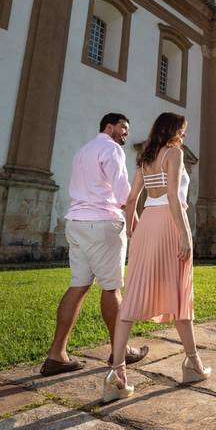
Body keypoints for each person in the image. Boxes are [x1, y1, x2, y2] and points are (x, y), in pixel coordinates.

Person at [103, 112, 211, 401]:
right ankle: (193, 364)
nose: (184, 135)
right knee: (179, 297)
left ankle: (116, 374)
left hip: (147, 223)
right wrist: (186, 233)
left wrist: (133, 227)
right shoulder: (173, 153)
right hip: (168, 224)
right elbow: (175, 197)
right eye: (182, 129)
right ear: (172, 129)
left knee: (131, 298)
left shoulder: (145, 158)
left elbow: (131, 200)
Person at [40, 113, 149, 376]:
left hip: (76, 223)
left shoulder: (83, 151)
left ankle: (57, 354)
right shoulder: (111, 150)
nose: (126, 133)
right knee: (111, 289)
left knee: (78, 285)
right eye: (123, 127)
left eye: (128, 129)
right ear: (108, 127)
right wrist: (137, 223)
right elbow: (124, 196)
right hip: (102, 224)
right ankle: (119, 352)